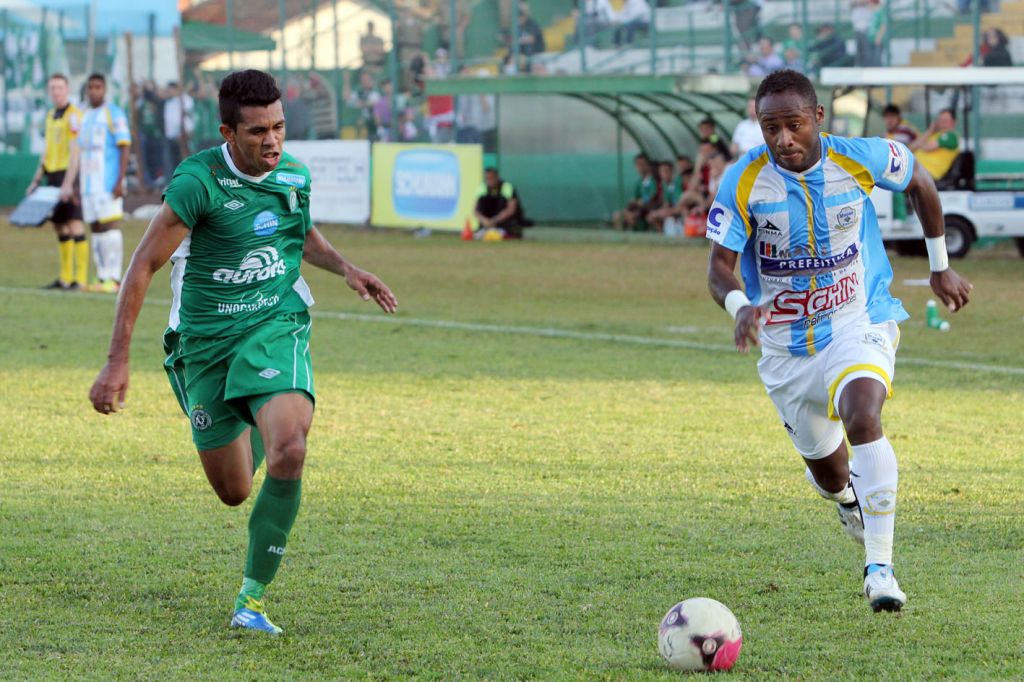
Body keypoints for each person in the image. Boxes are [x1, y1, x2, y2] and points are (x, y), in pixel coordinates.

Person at [88, 69, 398, 636]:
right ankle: (249, 408)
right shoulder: (197, 183)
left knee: (290, 449)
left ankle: (251, 600)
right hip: (205, 343)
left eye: (279, 126)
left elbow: (301, 235)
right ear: (228, 133)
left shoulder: (293, 175)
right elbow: (143, 265)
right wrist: (116, 359)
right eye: (258, 131)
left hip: (274, 322)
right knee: (233, 491)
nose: (273, 141)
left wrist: (347, 269)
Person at [705, 69, 972, 613]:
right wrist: (740, 306)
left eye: (794, 124)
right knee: (829, 476)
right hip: (785, 350)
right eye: (771, 128)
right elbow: (718, 268)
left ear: (818, 117)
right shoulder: (744, 180)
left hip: (857, 318)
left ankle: (880, 571)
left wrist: (940, 266)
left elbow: (921, 182)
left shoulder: (861, 157)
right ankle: (847, 497)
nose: (784, 139)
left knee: (863, 413)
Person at [25, 73, 87, 291]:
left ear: (67, 89)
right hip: (52, 175)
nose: (56, 92)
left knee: (74, 222)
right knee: (59, 225)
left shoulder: (74, 116)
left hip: (68, 175)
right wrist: (36, 179)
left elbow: (75, 152)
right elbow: (47, 150)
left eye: (60, 88)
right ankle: (65, 278)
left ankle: (80, 279)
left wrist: (69, 183)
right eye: (52, 88)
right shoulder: (51, 115)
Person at [74, 73, 131, 293]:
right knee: (96, 228)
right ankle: (101, 276)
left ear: (104, 89)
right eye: (90, 87)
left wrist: (120, 180)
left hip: (107, 182)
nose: (93, 91)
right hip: (88, 184)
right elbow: (80, 152)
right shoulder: (85, 115)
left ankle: (114, 278)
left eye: (97, 87)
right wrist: (77, 184)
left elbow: (124, 146)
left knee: (110, 226)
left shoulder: (114, 113)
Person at [882, 104, 918, 222]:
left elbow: (897, 153)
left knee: (893, 184)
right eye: (887, 117)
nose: (889, 120)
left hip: (912, 166)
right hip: (907, 165)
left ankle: (900, 219)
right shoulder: (891, 132)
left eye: (892, 117)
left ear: (898, 118)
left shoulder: (903, 130)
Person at [474, 167, 531, 239]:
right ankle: (485, 230)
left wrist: (495, 220)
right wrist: (484, 220)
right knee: (483, 200)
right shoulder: (482, 188)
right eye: (487, 178)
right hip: (488, 223)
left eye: (492, 178)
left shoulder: (507, 187)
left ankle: (506, 232)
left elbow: (511, 209)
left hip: (504, 223)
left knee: (501, 201)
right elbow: (475, 210)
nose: (490, 181)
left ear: (497, 177)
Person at [613, 153, 661, 231]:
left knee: (631, 217)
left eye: (643, 164)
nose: (640, 167)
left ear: (648, 166)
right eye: (638, 164)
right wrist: (633, 202)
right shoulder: (639, 182)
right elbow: (636, 197)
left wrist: (642, 201)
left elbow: (653, 195)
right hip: (638, 208)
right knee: (617, 215)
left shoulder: (653, 180)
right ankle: (620, 236)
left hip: (648, 208)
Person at [909, 108, 960, 181]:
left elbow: (927, 148)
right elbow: (911, 148)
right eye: (940, 120)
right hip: (915, 170)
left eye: (945, 120)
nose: (942, 122)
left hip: (928, 174)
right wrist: (929, 132)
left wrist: (921, 142)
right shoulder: (933, 135)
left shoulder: (951, 136)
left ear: (954, 122)